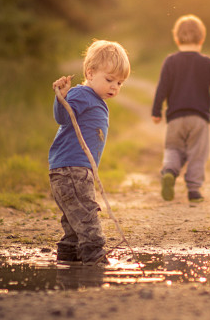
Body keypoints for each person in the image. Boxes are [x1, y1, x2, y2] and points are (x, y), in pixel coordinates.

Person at [48, 40, 130, 264]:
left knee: (74, 228)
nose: (114, 87)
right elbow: (63, 118)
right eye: (109, 79)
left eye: (120, 83)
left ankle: (68, 266)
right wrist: (61, 98)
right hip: (72, 171)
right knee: (88, 224)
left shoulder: (92, 97)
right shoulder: (81, 94)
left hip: (70, 171)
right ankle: (96, 266)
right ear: (90, 73)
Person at [151, 15, 210, 203]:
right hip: (199, 119)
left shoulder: (170, 61)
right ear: (202, 39)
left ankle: (169, 171)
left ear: (176, 39)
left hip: (175, 119)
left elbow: (162, 88)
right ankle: (193, 190)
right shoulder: (206, 62)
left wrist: (156, 111)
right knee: (197, 153)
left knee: (173, 149)